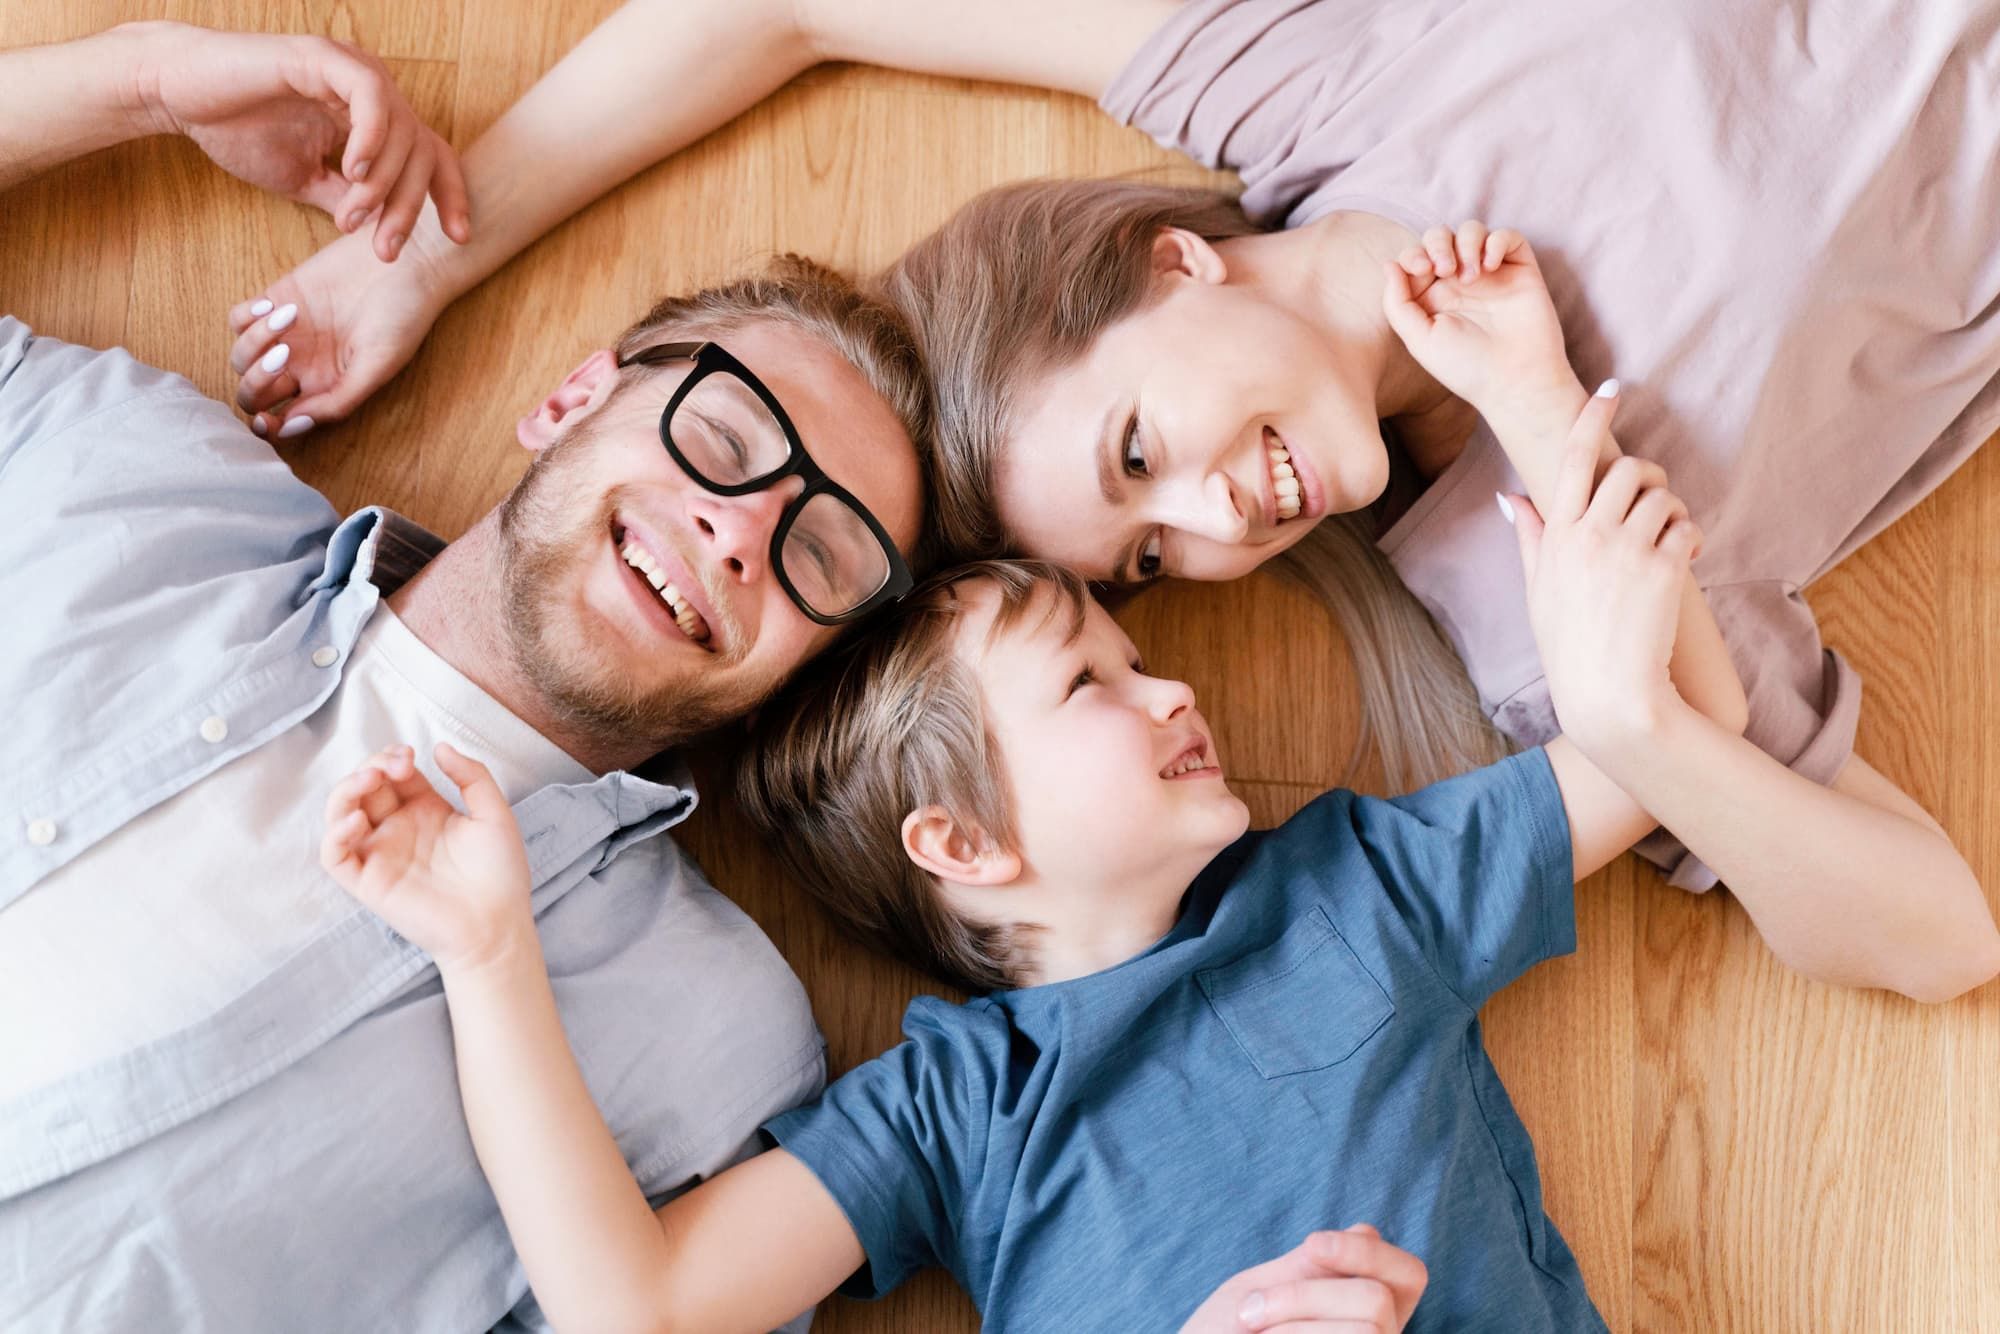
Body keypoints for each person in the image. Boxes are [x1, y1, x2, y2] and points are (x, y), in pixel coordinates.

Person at [239, 0, 2000, 998]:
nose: (1229, 525)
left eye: (1139, 453)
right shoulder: (1540, 566)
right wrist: (1646, 722)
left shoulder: (1305, 79)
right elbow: (1937, 933)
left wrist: (424, 259)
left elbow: (782, 4)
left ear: (1174, 269)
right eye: (1157, 551)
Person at [318, 365, 1800, 1330]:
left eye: (1136, 660)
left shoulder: (1352, 892)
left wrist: (1545, 418)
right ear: (960, 840)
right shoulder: (958, 1106)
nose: (1174, 689)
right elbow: (634, 1307)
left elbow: (1676, 747)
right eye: (1094, 684)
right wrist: (489, 952)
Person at [0, 20, 931, 1332]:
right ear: (568, 403)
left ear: (789, 672)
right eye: (719, 436)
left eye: (819, 553)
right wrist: (141, 79)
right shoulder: (130, 475)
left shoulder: (711, 1038)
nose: (739, 528)